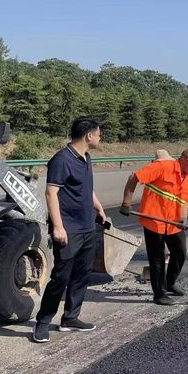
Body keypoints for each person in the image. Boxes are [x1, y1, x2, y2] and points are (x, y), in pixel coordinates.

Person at [33, 117, 107, 343]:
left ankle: (70, 318)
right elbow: (51, 193)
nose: (100, 137)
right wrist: (58, 227)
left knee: (82, 275)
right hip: (68, 229)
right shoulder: (62, 160)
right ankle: (43, 322)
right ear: (89, 136)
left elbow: (87, 188)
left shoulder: (86, 158)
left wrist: (100, 209)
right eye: (99, 134)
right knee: (60, 278)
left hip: (87, 227)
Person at [120, 147, 188, 305]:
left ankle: (170, 283)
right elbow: (134, 177)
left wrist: (183, 218)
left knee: (180, 253)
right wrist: (126, 202)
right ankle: (159, 294)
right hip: (154, 221)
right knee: (157, 258)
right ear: (187, 161)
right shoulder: (163, 167)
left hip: (173, 224)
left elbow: (185, 201)